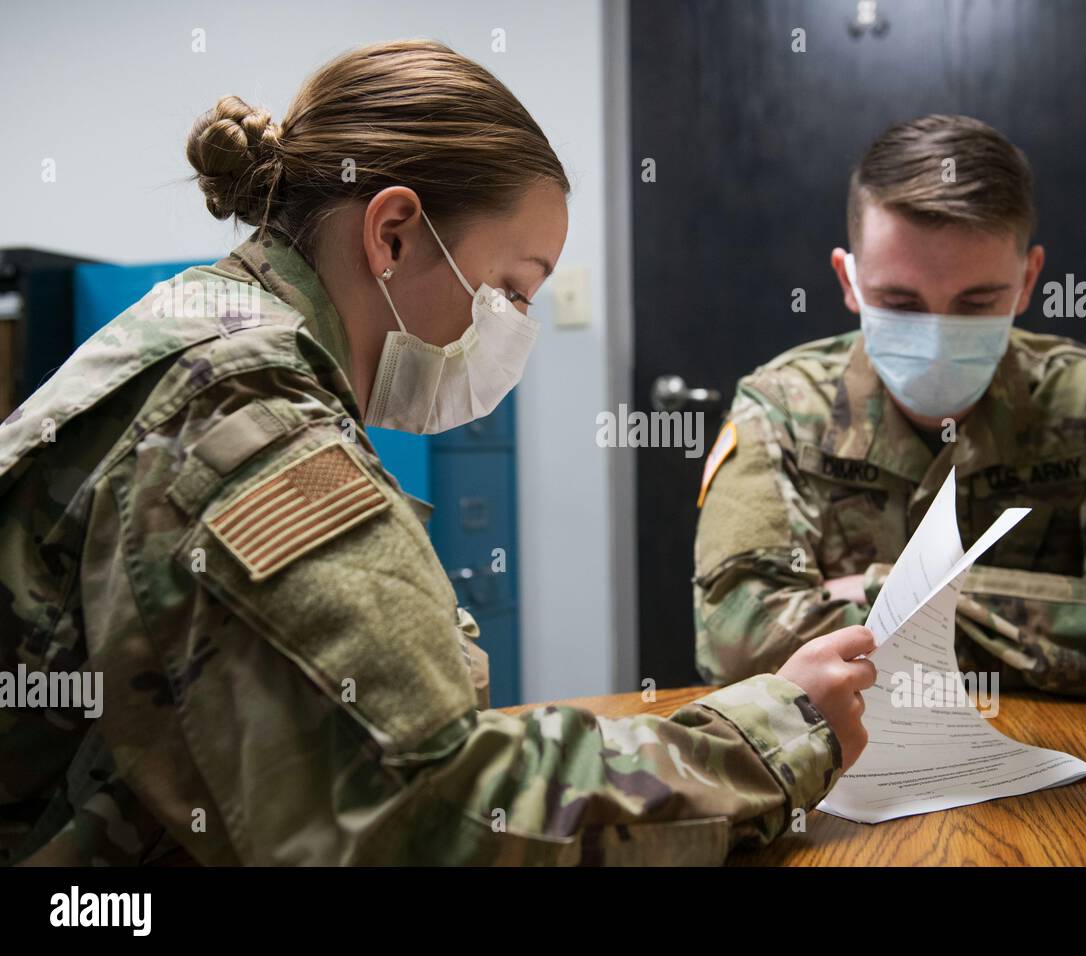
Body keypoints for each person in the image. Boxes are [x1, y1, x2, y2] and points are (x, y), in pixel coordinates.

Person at [0, 39, 877, 866]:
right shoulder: (241, 413)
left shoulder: (207, 331)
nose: (515, 330)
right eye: (510, 289)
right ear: (392, 234)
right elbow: (432, 812)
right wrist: (775, 731)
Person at [694, 114, 1086, 702]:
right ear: (849, 280)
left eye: (977, 301)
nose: (937, 335)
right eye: (900, 302)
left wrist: (888, 593)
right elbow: (735, 637)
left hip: (1060, 766)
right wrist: (1052, 626)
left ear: (1028, 278)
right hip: (846, 774)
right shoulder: (781, 407)